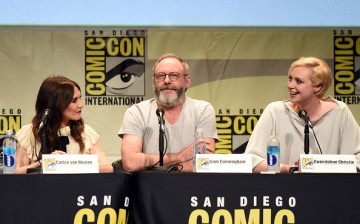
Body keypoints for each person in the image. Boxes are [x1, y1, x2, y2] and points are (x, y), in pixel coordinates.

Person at [245, 56, 360, 173]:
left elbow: (358, 160)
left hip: (330, 187)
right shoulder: (274, 111)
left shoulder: (340, 112)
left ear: (318, 87)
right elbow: (251, 161)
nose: (290, 85)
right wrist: (288, 169)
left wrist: (321, 167)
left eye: (298, 81)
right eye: (290, 79)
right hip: (284, 188)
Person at [118, 53, 218, 172]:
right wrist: (180, 157)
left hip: (192, 187)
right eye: (160, 76)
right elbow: (131, 163)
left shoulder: (203, 110)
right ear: (154, 81)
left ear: (187, 81)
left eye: (174, 75)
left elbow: (204, 163)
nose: (166, 81)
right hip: (149, 188)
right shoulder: (136, 112)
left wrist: (157, 168)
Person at [15, 76, 114, 174]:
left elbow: (107, 168)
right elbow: (15, 172)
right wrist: (44, 163)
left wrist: (68, 163)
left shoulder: (85, 132)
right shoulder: (30, 133)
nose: (81, 104)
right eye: (74, 101)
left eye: (80, 98)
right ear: (56, 104)